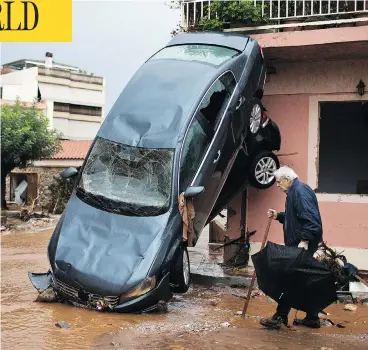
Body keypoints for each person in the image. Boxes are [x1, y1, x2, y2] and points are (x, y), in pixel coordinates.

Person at [260, 166, 323, 330]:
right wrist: (279, 216)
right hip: (299, 244)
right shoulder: (294, 192)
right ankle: (312, 317)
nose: (277, 185)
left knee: (289, 280)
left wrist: (304, 241)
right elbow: (295, 218)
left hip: (302, 245)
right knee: (303, 281)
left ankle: (280, 316)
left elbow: (311, 221)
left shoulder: (300, 192)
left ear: (288, 180)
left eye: (279, 182)